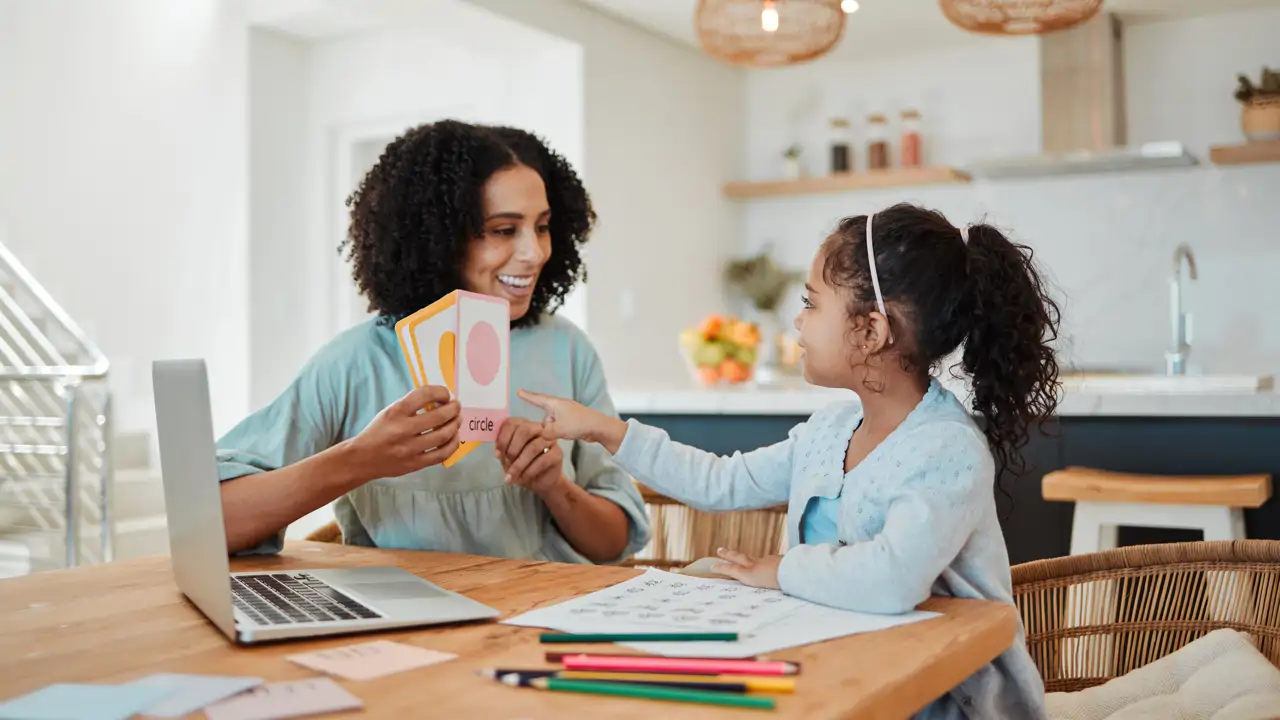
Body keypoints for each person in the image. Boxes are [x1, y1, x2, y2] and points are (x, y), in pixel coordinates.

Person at [515, 203, 1059, 718]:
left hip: (947, 696)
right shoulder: (829, 431)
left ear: (871, 331)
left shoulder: (946, 450)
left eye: (811, 303)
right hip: (849, 665)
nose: (798, 323)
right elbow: (721, 482)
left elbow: (892, 580)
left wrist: (777, 571)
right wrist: (605, 430)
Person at [215, 120, 651, 565]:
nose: (535, 252)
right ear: (438, 237)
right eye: (504, 230)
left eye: (541, 227)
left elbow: (614, 543)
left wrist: (555, 486)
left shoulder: (567, 350)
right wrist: (359, 461)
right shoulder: (359, 360)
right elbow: (214, 522)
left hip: (545, 617)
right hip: (404, 624)